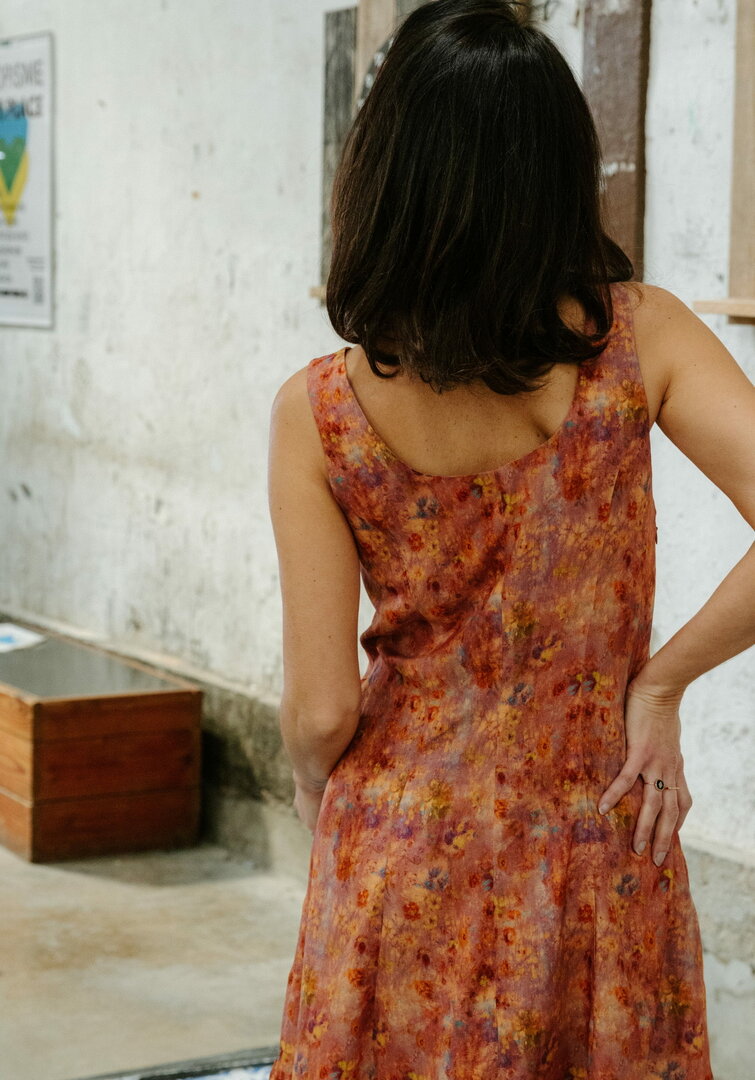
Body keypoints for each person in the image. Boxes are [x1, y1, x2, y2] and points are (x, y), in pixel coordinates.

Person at [266, 2, 754, 1076]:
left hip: (398, 852)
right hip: (598, 839)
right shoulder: (641, 341)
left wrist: (312, 787)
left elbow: (322, 710)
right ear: (560, 169)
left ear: (383, 177)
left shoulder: (320, 411)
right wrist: (660, 686)